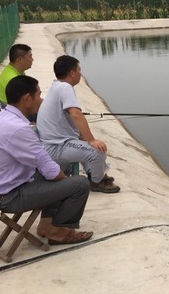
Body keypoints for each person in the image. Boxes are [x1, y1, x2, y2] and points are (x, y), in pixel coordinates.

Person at [0, 75, 93, 245]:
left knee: (61, 165)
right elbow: (51, 171)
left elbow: (46, 163)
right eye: (38, 95)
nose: (41, 100)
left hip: (3, 186)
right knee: (80, 184)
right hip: (7, 196)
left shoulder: (4, 117)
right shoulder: (19, 129)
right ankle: (57, 230)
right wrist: (66, 184)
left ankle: (46, 225)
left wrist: (59, 180)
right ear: (26, 99)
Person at [36, 55, 120, 194]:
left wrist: (85, 137)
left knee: (86, 142)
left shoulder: (57, 86)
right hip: (56, 147)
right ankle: (97, 182)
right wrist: (91, 139)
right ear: (72, 73)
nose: (81, 73)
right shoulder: (65, 88)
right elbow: (76, 114)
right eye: (79, 69)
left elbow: (70, 116)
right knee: (97, 150)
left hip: (56, 143)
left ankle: (95, 175)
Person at [0, 44, 34, 109]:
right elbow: (24, 103)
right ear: (20, 59)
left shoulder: (16, 70)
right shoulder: (12, 79)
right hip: (14, 110)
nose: (32, 59)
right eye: (30, 56)